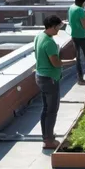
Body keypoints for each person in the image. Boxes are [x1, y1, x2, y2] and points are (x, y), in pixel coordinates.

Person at [34, 15, 64, 150]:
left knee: (46, 109)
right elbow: (56, 63)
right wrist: (72, 61)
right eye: (58, 27)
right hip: (49, 79)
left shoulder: (40, 36)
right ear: (52, 26)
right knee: (52, 110)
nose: (59, 30)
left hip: (40, 76)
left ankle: (47, 136)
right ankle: (49, 141)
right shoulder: (49, 43)